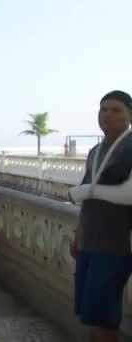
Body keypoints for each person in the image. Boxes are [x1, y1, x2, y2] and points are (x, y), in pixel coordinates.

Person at [68, 90, 132, 342]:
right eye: (103, 109)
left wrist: (85, 190)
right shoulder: (95, 151)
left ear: (130, 115)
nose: (107, 114)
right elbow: (87, 199)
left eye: (116, 110)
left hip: (118, 243)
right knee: (91, 313)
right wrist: (78, 233)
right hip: (90, 240)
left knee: (104, 315)